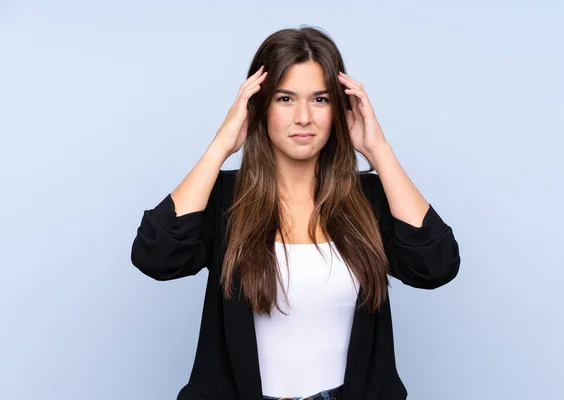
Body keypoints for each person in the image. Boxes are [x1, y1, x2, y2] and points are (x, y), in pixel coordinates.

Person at [130, 26, 460, 400]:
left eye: (320, 100)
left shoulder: (369, 200)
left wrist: (378, 150)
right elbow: (154, 255)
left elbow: (436, 266)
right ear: (259, 106)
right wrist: (221, 145)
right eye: (285, 99)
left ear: (339, 109)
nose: (303, 117)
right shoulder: (223, 198)